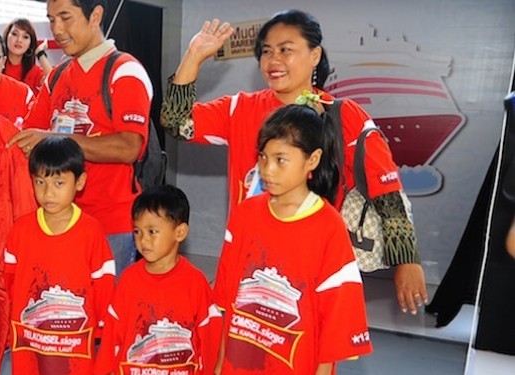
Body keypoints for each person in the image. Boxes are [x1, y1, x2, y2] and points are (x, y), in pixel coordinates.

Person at [161, 10, 427, 314]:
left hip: (313, 270)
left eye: (286, 50)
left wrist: (407, 260)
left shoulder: (346, 116)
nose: (274, 60)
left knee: (305, 356)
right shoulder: (241, 109)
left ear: (315, 55)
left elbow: (387, 190)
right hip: (245, 265)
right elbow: (176, 123)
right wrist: (193, 57)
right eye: (266, 52)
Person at [213, 104, 372, 374]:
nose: (267, 169)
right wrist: (218, 367)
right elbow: (227, 301)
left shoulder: (329, 228)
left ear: (312, 160)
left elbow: (335, 324)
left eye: (280, 159)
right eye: (263, 157)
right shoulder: (245, 215)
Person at [9, 0, 153, 278]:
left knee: (105, 315)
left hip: (109, 225)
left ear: (95, 15)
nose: (57, 29)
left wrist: (55, 140)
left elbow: (129, 147)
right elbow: (29, 138)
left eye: (65, 17)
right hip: (57, 220)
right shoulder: (58, 76)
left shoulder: (125, 71)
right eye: (51, 20)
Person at [3, 135, 115, 375]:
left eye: (58, 183)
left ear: (80, 181)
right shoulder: (20, 230)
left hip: (75, 345)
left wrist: (103, 331)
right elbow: (9, 279)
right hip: (30, 342)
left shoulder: (91, 232)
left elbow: (103, 284)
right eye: (40, 182)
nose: (48, 193)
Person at [96, 184, 222, 375]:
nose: (143, 240)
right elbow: (112, 336)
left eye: (152, 231)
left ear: (180, 232)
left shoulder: (195, 283)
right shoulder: (128, 281)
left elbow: (211, 338)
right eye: (137, 231)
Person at [3, 18, 53, 95]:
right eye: (15, 34)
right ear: (6, 37)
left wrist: (40, 53)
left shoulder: (34, 72)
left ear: (30, 44)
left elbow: (54, 82)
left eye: (25, 37)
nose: (19, 40)